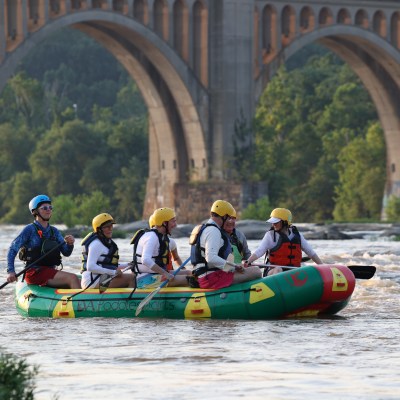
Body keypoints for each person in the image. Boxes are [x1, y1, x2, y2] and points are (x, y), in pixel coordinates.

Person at [6, 194, 80, 288]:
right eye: (44, 208)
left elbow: (66, 252)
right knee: (73, 278)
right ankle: (79, 302)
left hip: (50, 271)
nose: (48, 210)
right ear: (35, 212)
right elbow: (12, 249)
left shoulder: (54, 231)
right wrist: (11, 271)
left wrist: (70, 244)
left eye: (50, 207)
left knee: (80, 281)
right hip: (34, 273)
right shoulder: (29, 229)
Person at [190, 200, 261, 289]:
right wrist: (234, 267)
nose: (230, 221)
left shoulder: (206, 228)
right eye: (228, 218)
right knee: (256, 271)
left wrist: (235, 266)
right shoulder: (213, 231)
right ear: (223, 216)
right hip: (211, 278)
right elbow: (210, 257)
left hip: (208, 275)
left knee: (243, 267)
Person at [243, 208, 323, 275]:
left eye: (276, 222)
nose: (273, 224)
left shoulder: (297, 235)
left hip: (292, 271)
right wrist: (248, 261)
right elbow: (259, 251)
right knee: (278, 269)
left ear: (285, 222)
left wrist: (322, 266)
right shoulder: (270, 235)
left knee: (307, 269)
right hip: (273, 271)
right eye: (272, 222)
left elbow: (311, 253)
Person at [132, 207, 190, 288]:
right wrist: (166, 274)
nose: (175, 225)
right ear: (164, 223)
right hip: (145, 280)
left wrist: (166, 273)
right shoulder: (152, 237)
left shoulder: (160, 237)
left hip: (154, 275)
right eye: (173, 221)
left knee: (188, 273)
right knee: (189, 279)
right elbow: (145, 260)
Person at [81, 213, 136, 289]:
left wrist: (128, 265)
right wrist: (114, 272)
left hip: (98, 278)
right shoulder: (96, 244)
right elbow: (90, 267)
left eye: (111, 226)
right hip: (91, 282)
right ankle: (131, 300)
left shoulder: (105, 243)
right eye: (107, 227)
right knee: (131, 278)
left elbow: (109, 265)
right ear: (99, 229)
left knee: (127, 276)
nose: (110, 229)